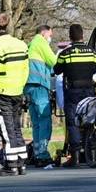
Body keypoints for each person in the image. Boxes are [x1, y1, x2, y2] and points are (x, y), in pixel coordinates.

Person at [0, 12, 30, 176]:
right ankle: (21, 163)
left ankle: (11, 165)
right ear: (8, 25)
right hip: (18, 90)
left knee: (6, 128)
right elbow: (26, 69)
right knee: (16, 127)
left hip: (3, 89)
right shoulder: (20, 44)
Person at [53, 23, 96, 168]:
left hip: (72, 91)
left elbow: (57, 70)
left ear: (70, 37)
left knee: (73, 122)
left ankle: (75, 157)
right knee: (88, 121)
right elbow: (95, 67)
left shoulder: (66, 53)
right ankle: (89, 153)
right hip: (89, 90)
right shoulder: (92, 52)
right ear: (82, 36)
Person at [25, 25, 57, 166]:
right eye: (50, 35)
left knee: (36, 122)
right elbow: (53, 61)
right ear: (44, 33)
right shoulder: (40, 42)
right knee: (44, 120)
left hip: (29, 87)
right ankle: (43, 154)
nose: (50, 38)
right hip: (39, 85)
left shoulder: (31, 43)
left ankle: (38, 153)